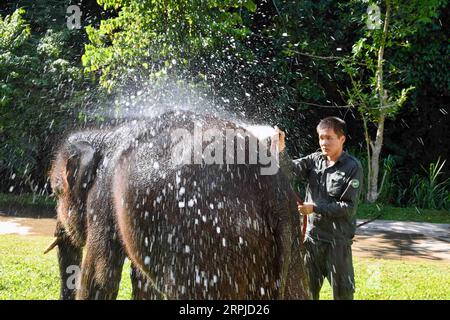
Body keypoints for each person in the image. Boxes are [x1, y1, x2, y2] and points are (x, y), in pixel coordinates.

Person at [276, 116, 363, 300]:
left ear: (342, 139)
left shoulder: (352, 167)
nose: (324, 142)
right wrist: (281, 147)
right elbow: (290, 170)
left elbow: (347, 207)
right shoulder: (315, 160)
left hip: (337, 243)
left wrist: (314, 207)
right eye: (321, 137)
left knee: (343, 294)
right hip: (312, 240)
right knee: (305, 292)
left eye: (329, 138)